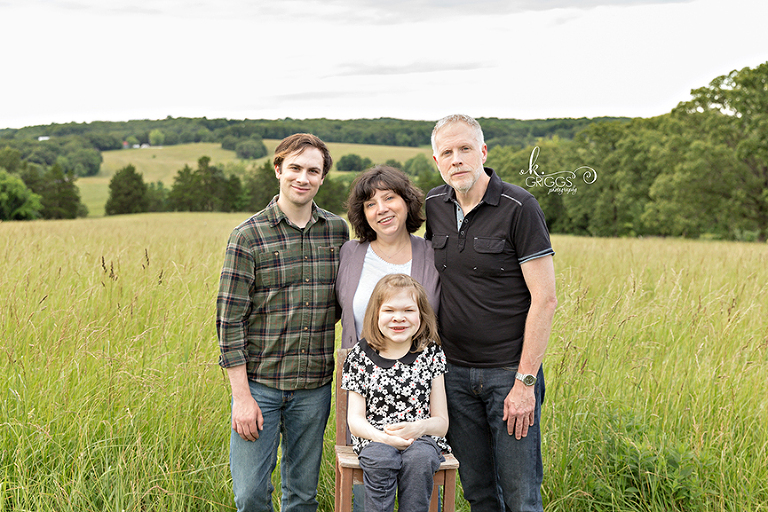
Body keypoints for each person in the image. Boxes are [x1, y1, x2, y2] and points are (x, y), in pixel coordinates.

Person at [424, 115, 557, 512]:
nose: (457, 159)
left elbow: (545, 300)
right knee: (478, 492)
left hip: (508, 376)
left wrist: (524, 383)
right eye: (447, 152)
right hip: (454, 376)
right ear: (436, 161)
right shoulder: (434, 205)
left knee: (520, 495)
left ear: (482, 152)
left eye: (465, 149)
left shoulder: (520, 207)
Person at [216, 133, 350, 512]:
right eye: (294, 168)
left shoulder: (338, 232)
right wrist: (241, 397)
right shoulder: (247, 236)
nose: (302, 178)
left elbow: (345, 303)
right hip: (260, 389)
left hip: (314, 389)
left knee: (301, 496)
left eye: (313, 170)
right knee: (251, 494)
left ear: (322, 177)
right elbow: (229, 322)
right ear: (278, 169)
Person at [342, 273, 450, 512]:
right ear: (376, 314)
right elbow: (355, 420)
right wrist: (384, 438)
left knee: (420, 460)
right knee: (382, 459)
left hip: (421, 438)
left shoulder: (431, 354)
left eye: (409, 311)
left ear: (421, 316)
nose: (398, 318)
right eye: (389, 310)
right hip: (374, 438)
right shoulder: (360, 356)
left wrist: (418, 428)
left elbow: (441, 423)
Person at [336, 165, 440, 350]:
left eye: (389, 198)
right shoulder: (349, 254)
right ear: (364, 214)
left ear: (407, 202)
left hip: (420, 376)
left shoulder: (433, 255)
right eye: (370, 204)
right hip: (360, 376)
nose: (381, 209)